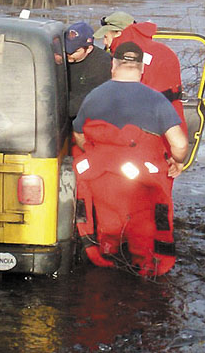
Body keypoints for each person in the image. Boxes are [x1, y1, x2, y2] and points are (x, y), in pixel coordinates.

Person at [72, 41, 189, 278]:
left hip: (102, 178)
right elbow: (180, 143)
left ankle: (105, 250)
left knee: (107, 216)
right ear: (140, 69)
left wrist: (96, 152)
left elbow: (78, 134)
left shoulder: (94, 97)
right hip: (141, 180)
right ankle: (146, 262)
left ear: (113, 65)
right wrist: (178, 161)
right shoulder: (157, 100)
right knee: (145, 222)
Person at [109, 19, 186, 130]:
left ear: (118, 34)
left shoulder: (129, 56)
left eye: (106, 37)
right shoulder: (163, 50)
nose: (105, 43)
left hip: (145, 123)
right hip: (174, 115)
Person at [64, 21, 112, 120]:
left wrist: (61, 111)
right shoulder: (61, 57)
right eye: (66, 49)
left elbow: (93, 97)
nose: (68, 54)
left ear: (89, 49)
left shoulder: (102, 64)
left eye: (74, 51)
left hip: (86, 115)